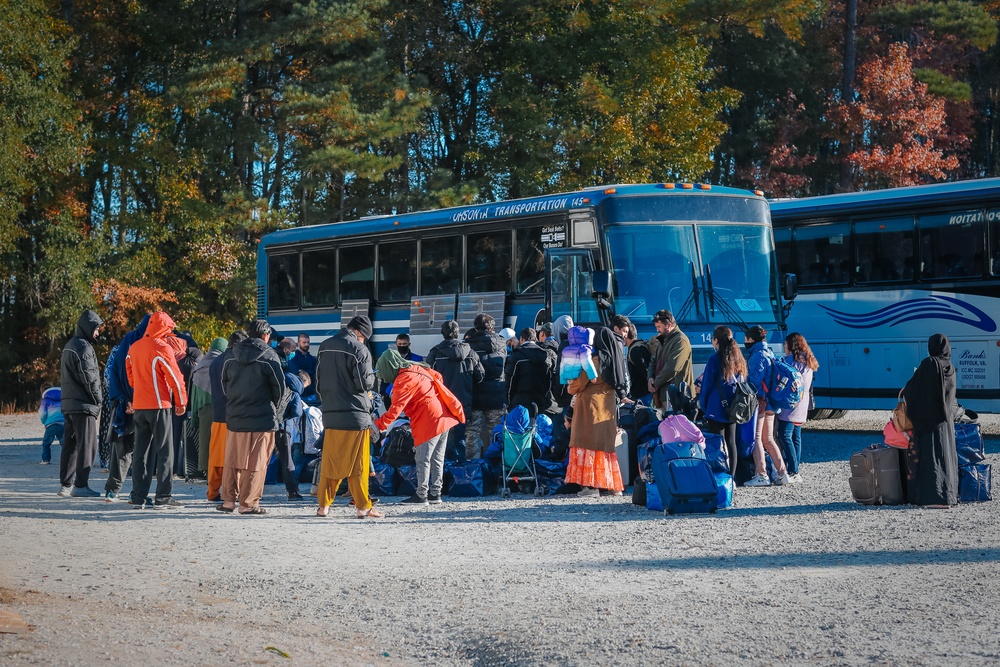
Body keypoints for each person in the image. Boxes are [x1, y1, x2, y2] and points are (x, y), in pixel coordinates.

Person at [374, 349, 465, 505]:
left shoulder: (404, 378)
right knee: (437, 458)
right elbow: (438, 378)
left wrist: (377, 426)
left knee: (422, 458)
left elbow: (395, 409)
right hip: (443, 415)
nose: (384, 377)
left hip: (428, 419)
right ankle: (436, 494)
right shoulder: (417, 369)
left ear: (390, 367)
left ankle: (421, 495)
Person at [314, 315, 383, 518]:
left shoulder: (325, 346)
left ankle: (323, 506)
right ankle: (363, 507)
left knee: (330, 462)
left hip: (331, 415)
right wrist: (372, 375)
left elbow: (318, 381)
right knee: (358, 464)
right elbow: (364, 384)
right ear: (360, 333)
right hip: (355, 416)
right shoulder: (359, 349)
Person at [217, 319, 286, 515]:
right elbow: (279, 389)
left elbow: (224, 385)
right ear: (266, 336)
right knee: (256, 461)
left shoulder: (231, 355)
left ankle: (229, 501)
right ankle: (248, 504)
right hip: (262, 417)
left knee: (232, 459)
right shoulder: (269, 356)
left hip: (235, 416)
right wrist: (274, 406)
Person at [125, 311, 188, 508]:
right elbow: (175, 378)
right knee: (165, 451)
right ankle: (163, 497)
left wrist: (139, 389)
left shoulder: (134, 348)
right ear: (164, 328)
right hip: (159, 405)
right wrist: (181, 402)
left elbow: (130, 374)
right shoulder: (162, 347)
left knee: (141, 452)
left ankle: (138, 496)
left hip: (140, 405)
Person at [564, 327, 626, 497]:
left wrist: (570, 387)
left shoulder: (597, 361)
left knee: (587, 447)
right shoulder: (616, 361)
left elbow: (579, 383)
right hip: (606, 410)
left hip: (590, 410)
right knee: (604, 449)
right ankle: (612, 487)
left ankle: (591, 487)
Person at [901, 334, 960, 507]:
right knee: (946, 457)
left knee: (930, 459)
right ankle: (947, 496)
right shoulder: (950, 366)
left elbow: (911, 389)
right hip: (945, 422)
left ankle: (931, 497)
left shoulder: (929, 364)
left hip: (928, 424)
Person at [103, 314, 151, 503]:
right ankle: (136, 493)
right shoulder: (147, 344)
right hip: (143, 404)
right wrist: (134, 400)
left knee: (121, 449)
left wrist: (123, 399)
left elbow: (115, 372)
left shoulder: (126, 341)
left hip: (125, 405)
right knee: (142, 450)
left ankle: (112, 490)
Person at [58, 309, 104, 498]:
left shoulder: (69, 345)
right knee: (88, 444)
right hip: (83, 405)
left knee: (70, 445)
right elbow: (90, 378)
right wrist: (99, 400)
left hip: (69, 403)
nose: (98, 333)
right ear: (88, 327)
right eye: (96, 329)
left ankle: (66, 485)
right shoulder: (84, 347)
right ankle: (81, 484)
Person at [425, 320, 484, 461]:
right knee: (459, 439)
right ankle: (460, 474)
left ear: (442, 333)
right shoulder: (470, 352)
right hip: (463, 403)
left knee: (441, 442)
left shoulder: (435, 353)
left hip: (441, 405)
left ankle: (444, 474)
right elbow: (480, 376)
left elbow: (427, 379)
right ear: (458, 333)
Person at [744, 325, 791, 487]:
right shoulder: (770, 353)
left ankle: (761, 474)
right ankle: (782, 473)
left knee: (756, 438)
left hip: (761, 402)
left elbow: (754, 382)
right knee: (769, 439)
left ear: (751, 339)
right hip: (772, 402)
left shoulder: (757, 356)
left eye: (746, 339)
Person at [698, 326, 747, 479]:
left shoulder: (714, 358)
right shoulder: (738, 357)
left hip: (716, 406)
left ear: (716, 340)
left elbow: (706, 385)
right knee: (731, 442)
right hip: (733, 406)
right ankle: (731, 477)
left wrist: (703, 405)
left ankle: (719, 476)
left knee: (717, 443)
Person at [207, 330, 248, 501]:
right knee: (235, 457)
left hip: (217, 413)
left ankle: (212, 491)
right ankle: (234, 492)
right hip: (236, 414)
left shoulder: (215, 362)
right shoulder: (238, 361)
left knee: (216, 457)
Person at [776, 332, 818, 483]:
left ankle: (793, 470)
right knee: (796, 437)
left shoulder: (791, 361)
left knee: (785, 436)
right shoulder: (808, 360)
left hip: (790, 404)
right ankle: (795, 469)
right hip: (803, 402)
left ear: (790, 345)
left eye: (785, 345)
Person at [466, 314, 507, 460]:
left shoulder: (469, 345)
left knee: (472, 435)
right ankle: (496, 466)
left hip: (476, 397)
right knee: (496, 433)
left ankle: (473, 471)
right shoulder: (502, 344)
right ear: (492, 327)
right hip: (497, 396)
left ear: (475, 328)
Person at [187, 337, 228, 479]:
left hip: (203, 408)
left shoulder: (200, 364)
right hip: (220, 407)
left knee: (205, 440)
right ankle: (217, 472)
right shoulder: (222, 363)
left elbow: (194, 392)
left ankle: (205, 470)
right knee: (219, 441)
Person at [646, 309, 693, 415]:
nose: (657, 330)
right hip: (665, 395)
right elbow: (653, 361)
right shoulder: (663, 340)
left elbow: (672, 368)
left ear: (668, 325)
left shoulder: (681, 341)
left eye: (659, 327)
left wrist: (655, 383)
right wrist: (650, 378)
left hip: (677, 396)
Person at [504, 327, 557, 417]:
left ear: (521, 339)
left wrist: (509, 402)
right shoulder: (545, 355)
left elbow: (510, 381)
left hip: (519, 404)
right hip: (539, 402)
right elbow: (549, 381)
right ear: (535, 339)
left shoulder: (516, 356)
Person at [276, 370, 305, 500]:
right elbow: (298, 412)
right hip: (283, 427)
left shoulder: (279, 382)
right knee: (287, 459)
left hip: (266, 425)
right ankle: (292, 491)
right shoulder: (295, 392)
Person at [611, 315, 650, 403]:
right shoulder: (641, 346)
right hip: (645, 392)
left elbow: (644, 370)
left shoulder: (634, 350)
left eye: (626, 332)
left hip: (642, 393)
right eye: (624, 331)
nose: (624, 336)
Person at [38, 385, 64, 465]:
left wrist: (44, 421)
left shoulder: (45, 400)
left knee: (46, 443)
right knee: (65, 443)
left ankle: (46, 460)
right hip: (63, 424)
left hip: (51, 424)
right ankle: (68, 459)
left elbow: (42, 413)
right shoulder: (62, 399)